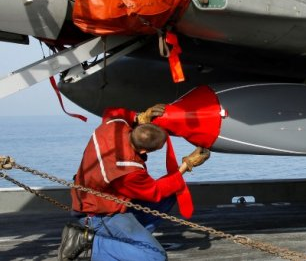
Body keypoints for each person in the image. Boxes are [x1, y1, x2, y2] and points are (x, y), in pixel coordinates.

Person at [58, 104, 210, 261]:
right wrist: (187, 165)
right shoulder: (128, 169)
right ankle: (89, 244)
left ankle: (127, 244)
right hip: (101, 215)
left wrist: (139, 117)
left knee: (170, 193)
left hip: (105, 201)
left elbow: (110, 111)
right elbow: (155, 192)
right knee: (155, 256)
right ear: (144, 151)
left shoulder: (113, 126)